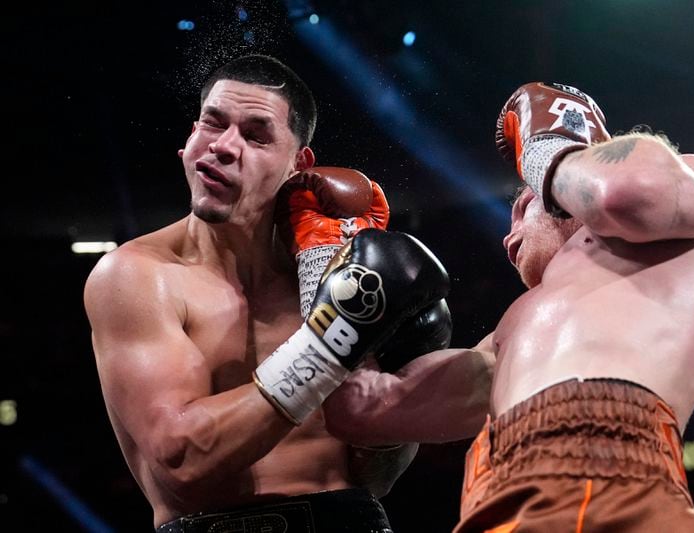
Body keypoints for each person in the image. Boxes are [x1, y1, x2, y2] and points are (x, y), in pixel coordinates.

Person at [322, 82, 694, 532]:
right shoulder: (508, 338)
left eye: (521, 206)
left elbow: (624, 195)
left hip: (603, 474)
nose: (506, 237)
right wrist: (326, 267)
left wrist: (549, 141)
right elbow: (358, 410)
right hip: (491, 498)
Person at [83, 54, 453, 532]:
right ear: (189, 140)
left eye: (256, 135)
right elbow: (182, 463)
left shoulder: (331, 275)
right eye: (213, 124)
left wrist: (399, 368)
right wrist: (331, 342)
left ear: (298, 165)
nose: (224, 146)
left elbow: (378, 476)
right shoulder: (137, 276)